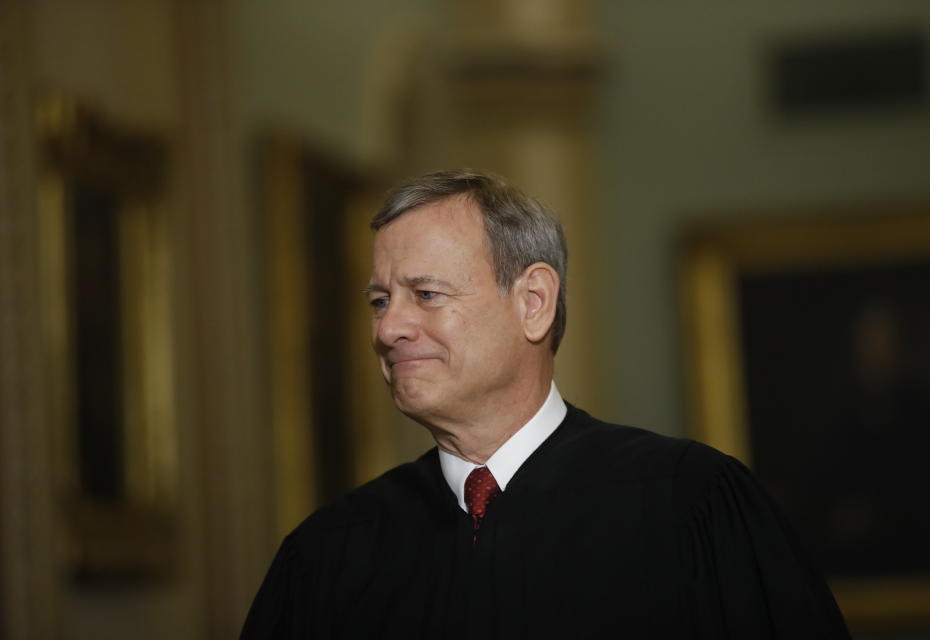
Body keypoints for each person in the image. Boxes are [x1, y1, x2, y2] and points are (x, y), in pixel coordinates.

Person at [240, 170, 850, 639]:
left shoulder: (689, 504)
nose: (389, 327)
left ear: (533, 302)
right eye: (379, 300)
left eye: (425, 294)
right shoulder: (331, 553)